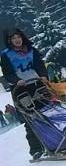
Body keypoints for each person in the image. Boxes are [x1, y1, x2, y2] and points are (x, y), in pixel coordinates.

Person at [1, 28, 48, 158]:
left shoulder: (31, 50)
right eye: (13, 38)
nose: (17, 40)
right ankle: (36, 149)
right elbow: (7, 73)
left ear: (22, 37)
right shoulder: (6, 55)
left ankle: (53, 140)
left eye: (18, 37)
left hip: (37, 84)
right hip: (20, 89)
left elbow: (40, 65)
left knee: (47, 111)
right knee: (30, 118)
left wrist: (44, 76)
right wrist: (16, 81)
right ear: (10, 41)